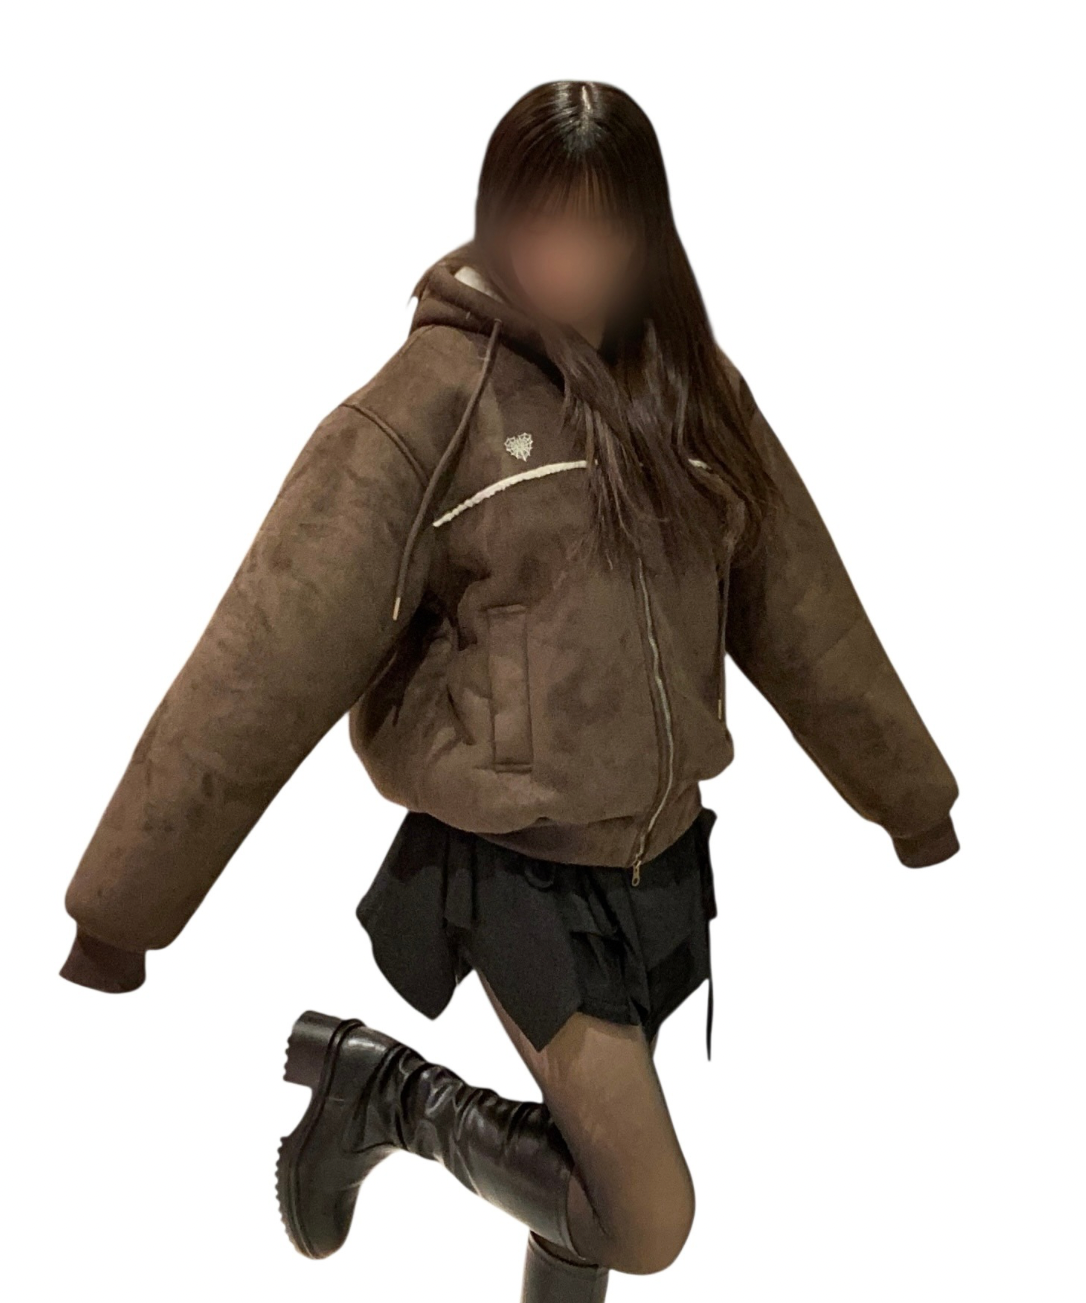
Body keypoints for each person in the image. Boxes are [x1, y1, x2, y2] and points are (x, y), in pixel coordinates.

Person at [58, 80, 961, 1301]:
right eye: (539, 225)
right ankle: (388, 1092)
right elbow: (261, 660)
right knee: (646, 1216)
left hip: (659, 860)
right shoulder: (431, 406)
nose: (567, 261)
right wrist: (120, 910)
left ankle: (376, 1092)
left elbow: (803, 607)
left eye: (600, 228)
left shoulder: (689, 387)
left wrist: (910, 796)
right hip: (510, 871)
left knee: (584, 1184)